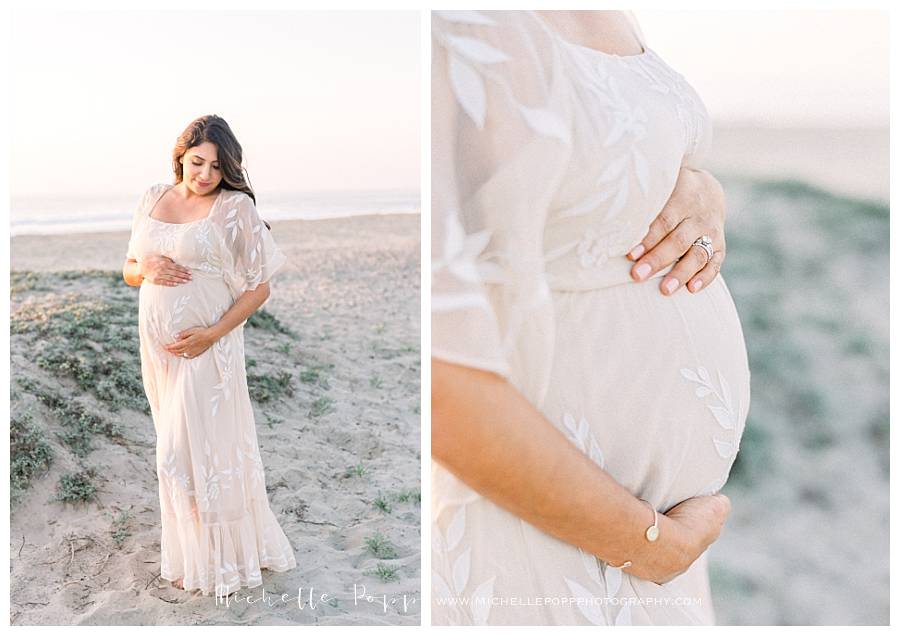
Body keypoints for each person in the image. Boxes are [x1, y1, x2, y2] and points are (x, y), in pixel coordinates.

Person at [431, 10, 750, 625]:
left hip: (647, 547)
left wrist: (704, 191)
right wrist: (647, 544)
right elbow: (446, 384)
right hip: (545, 526)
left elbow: (606, 160)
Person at [122, 114, 297, 598]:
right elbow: (128, 270)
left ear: (228, 170)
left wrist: (212, 335)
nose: (204, 174)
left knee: (184, 453)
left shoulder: (234, 208)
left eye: (216, 167)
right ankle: (198, 551)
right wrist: (146, 267)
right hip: (158, 349)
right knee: (181, 450)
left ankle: (218, 557)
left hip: (207, 347)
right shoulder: (152, 197)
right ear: (180, 157)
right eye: (197, 162)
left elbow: (259, 288)